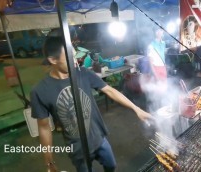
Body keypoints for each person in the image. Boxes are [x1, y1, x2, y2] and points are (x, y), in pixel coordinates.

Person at [30, 36, 151, 172]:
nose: (76, 61)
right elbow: (44, 128)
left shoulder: (83, 73)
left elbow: (110, 91)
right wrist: (49, 163)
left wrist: (136, 109)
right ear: (53, 59)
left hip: (99, 138)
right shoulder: (40, 91)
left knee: (111, 166)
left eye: (75, 55)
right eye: (70, 57)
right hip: (77, 148)